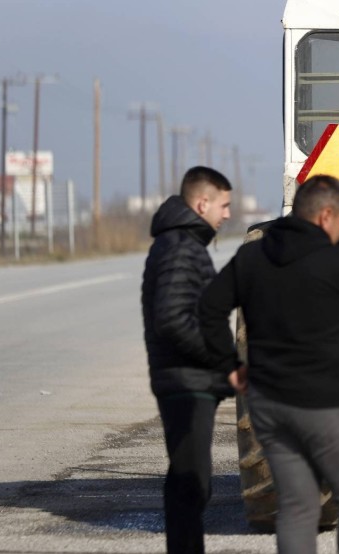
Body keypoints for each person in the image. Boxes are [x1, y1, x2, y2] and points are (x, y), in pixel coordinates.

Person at [199, 175, 339, 554]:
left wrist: (231, 365)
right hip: (328, 407)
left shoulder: (252, 256)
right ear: (324, 216)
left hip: (270, 408)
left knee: (296, 508)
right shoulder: (335, 260)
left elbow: (209, 308)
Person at [141, 166, 235, 554]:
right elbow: (172, 320)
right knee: (190, 484)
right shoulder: (180, 247)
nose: (227, 214)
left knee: (189, 482)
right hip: (185, 383)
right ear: (202, 203)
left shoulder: (183, 243)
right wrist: (221, 362)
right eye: (223, 205)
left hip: (190, 381)